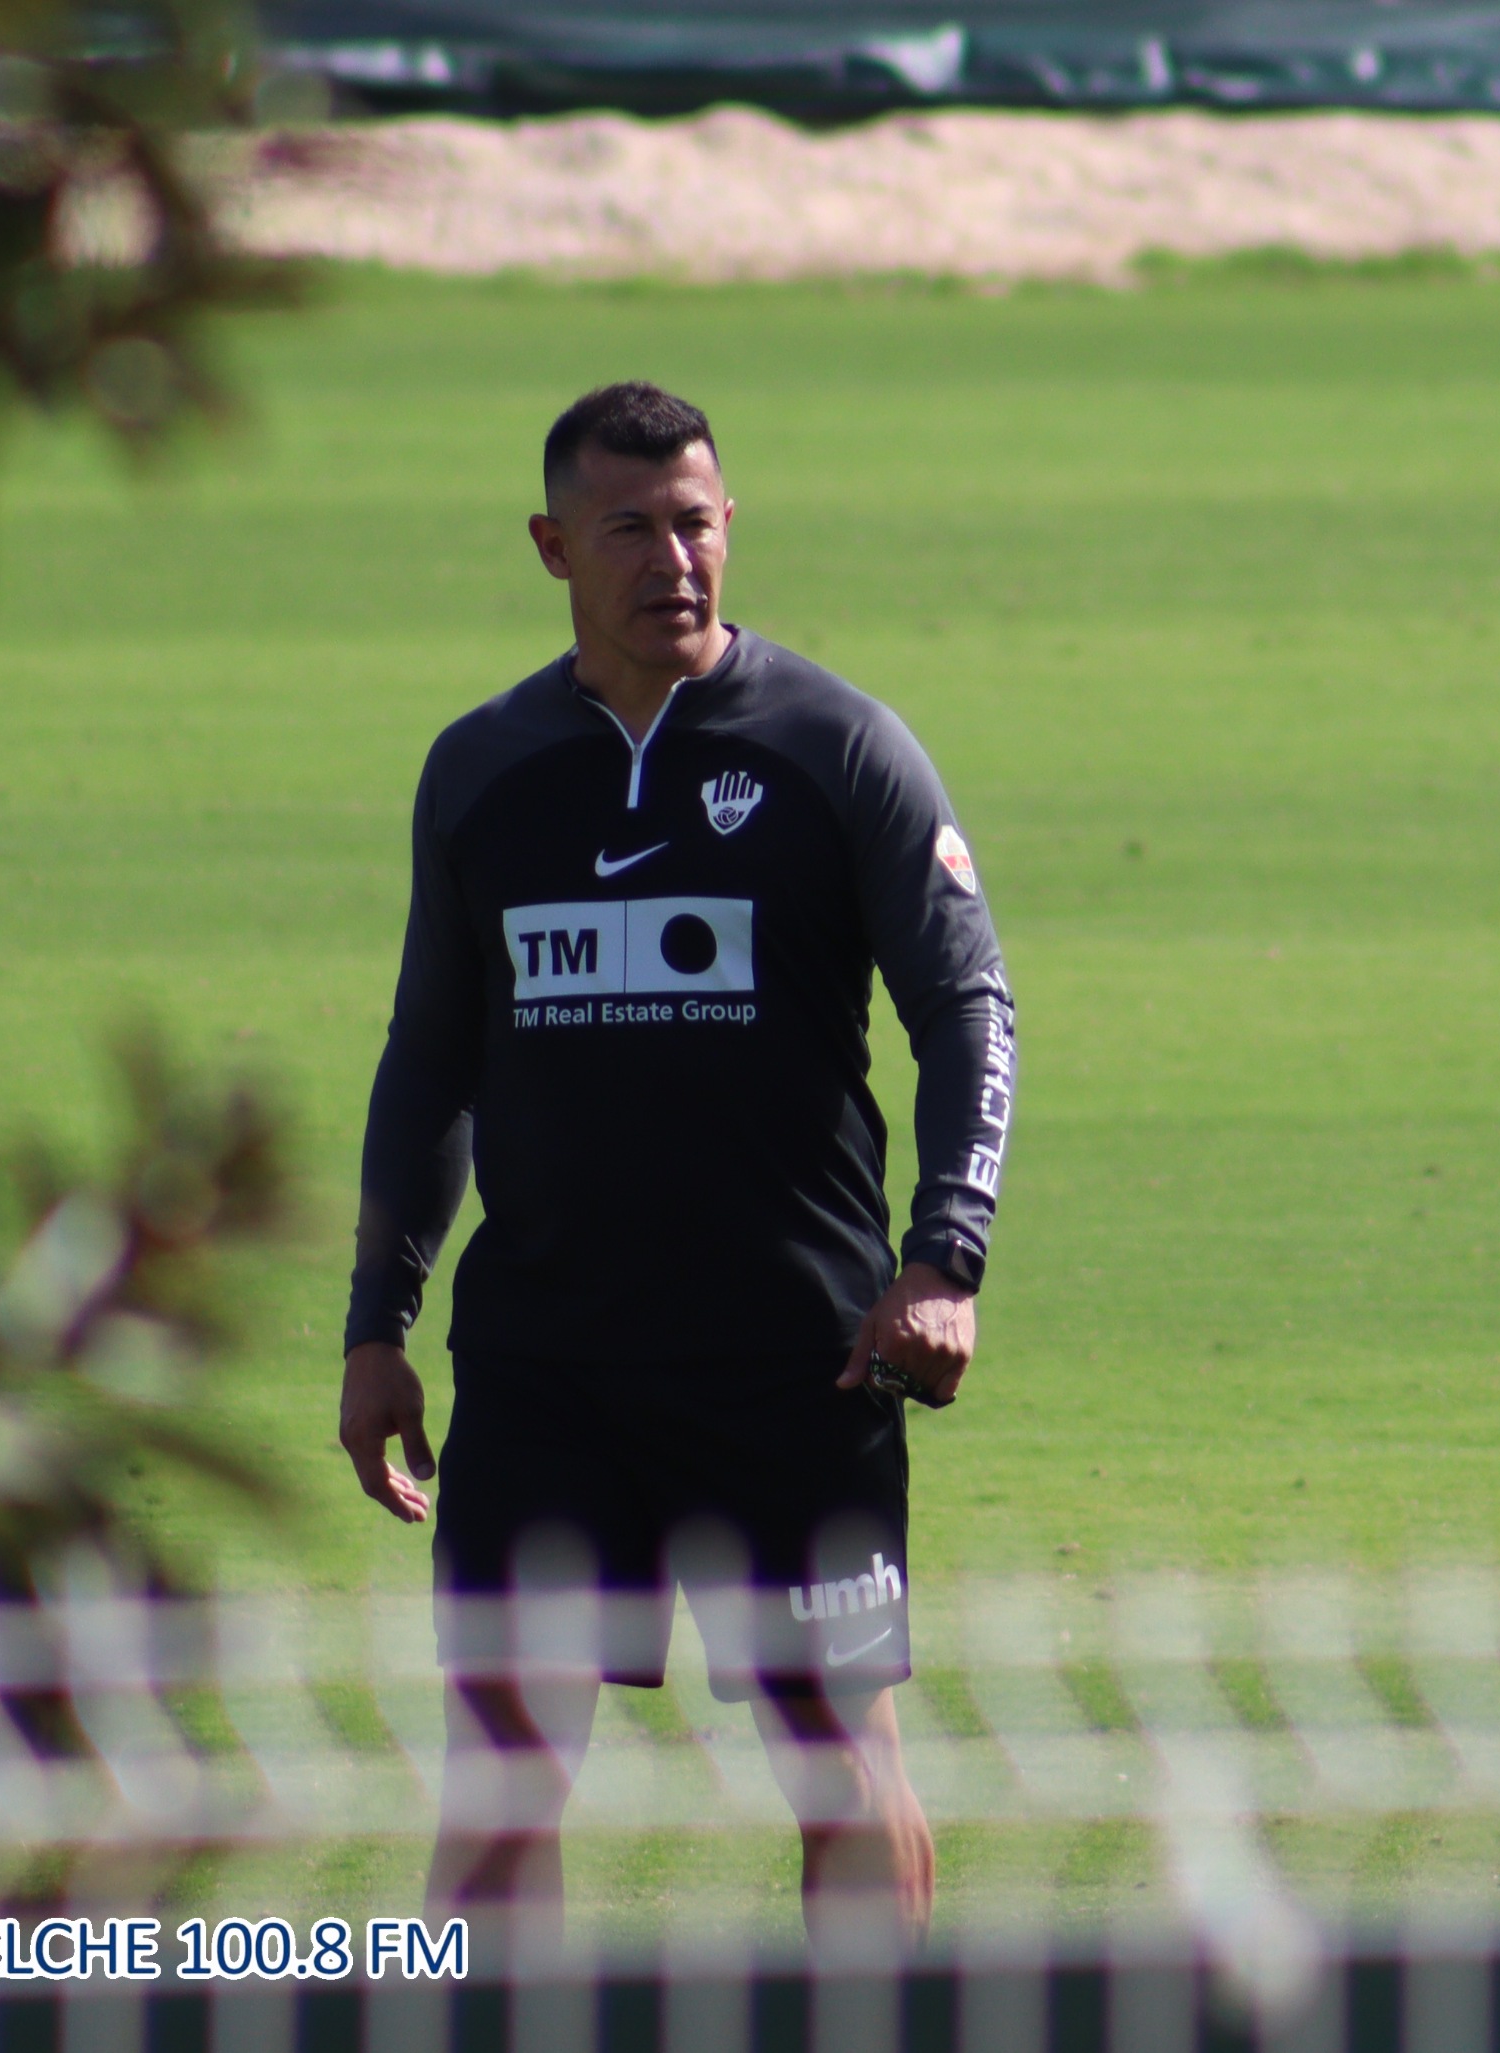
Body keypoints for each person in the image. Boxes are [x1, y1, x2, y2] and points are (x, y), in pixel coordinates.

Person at [334, 382, 1016, 1955]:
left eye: (695, 519)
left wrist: (945, 1254)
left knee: (842, 1765)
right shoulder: (483, 773)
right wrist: (380, 1324)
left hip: (797, 1367)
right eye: (630, 525)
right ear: (553, 543)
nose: (672, 555)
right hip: (542, 1373)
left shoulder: (837, 746)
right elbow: (431, 1058)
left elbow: (968, 1006)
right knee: (500, 1785)